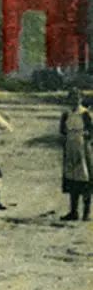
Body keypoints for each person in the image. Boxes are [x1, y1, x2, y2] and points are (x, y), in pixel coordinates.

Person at [59, 89, 92, 221]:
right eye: (71, 98)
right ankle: (73, 211)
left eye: (76, 98)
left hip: (83, 148)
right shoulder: (66, 115)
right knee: (72, 178)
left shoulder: (85, 114)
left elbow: (91, 130)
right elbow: (62, 131)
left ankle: (86, 212)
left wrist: (87, 138)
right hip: (70, 147)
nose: (74, 101)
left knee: (85, 178)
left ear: (80, 99)